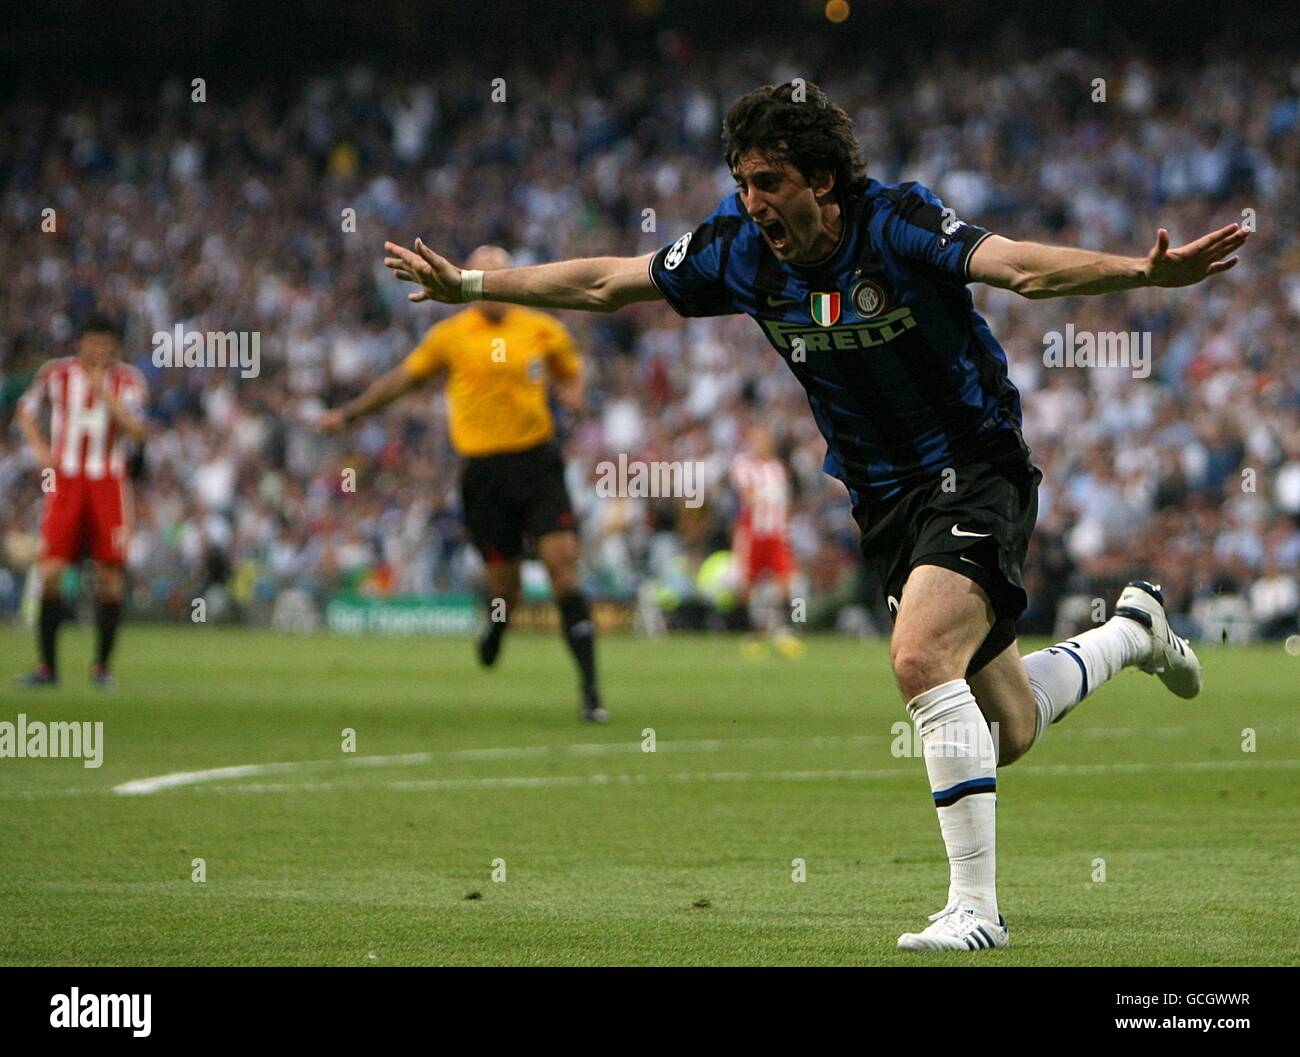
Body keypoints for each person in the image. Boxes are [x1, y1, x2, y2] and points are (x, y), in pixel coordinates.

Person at [380, 82, 1248, 950]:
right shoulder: (735, 249)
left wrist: (1141, 271)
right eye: (743, 181)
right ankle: (1134, 629)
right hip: (882, 500)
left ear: (824, 181)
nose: (752, 201)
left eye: (770, 181)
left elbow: (1019, 267)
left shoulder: (895, 224)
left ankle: (975, 911)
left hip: (975, 467)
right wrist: (473, 283)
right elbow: (612, 281)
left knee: (918, 657)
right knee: (1004, 728)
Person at [321, 246, 606, 722]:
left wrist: (574, 397)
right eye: (484, 277)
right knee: (505, 590)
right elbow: (402, 381)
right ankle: (496, 627)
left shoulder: (543, 329)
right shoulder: (450, 336)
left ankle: (591, 692)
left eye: (502, 276)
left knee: (563, 568)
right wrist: (352, 413)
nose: (493, 286)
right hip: (484, 474)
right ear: (470, 280)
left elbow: (572, 378)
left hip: (538, 464)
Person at [15, 313, 149, 688]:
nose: (98, 350)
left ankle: (101, 668)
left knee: (109, 577)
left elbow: (140, 431)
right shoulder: (54, 374)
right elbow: (25, 411)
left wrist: (105, 393)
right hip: (66, 482)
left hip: (108, 482)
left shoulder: (128, 381)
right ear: (80, 342)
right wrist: (41, 449)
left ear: (114, 347)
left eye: (106, 344)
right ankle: (47, 668)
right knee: (51, 572)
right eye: (92, 342)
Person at [730, 424, 801, 657]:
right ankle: (753, 633)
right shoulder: (743, 465)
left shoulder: (777, 468)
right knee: (747, 584)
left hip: (775, 533)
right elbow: (748, 495)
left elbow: (785, 502)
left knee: (786, 581)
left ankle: (782, 628)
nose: (763, 444)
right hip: (753, 533)